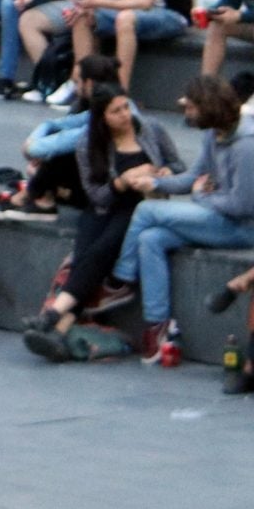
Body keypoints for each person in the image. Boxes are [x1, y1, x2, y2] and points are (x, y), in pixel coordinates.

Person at [23, 89, 181, 360]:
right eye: (116, 111)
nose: (125, 115)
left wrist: (166, 173)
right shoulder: (88, 144)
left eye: (125, 107)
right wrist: (122, 181)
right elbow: (96, 194)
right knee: (83, 255)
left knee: (101, 250)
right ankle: (59, 331)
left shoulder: (151, 129)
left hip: (141, 206)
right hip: (105, 205)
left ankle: (52, 316)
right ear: (103, 118)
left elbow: (178, 165)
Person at [112, 74, 254, 364]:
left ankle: (120, 282)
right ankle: (158, 325)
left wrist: (201, 197)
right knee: (151, 238)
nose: (185, 111)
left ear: (208, 107)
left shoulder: (246, 146)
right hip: (217, 214)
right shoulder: (213, 133)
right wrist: (156, 184)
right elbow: (193, 178)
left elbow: (242, 205)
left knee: (147, 212)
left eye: (191, 108)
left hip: (241, 228)